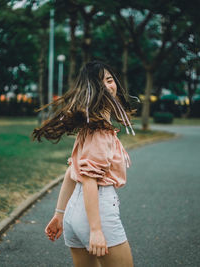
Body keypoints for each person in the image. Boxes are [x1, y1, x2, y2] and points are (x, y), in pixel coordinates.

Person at [33, 61, 134, 267]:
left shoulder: (87, 129)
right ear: (92, 90)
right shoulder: (99, 132)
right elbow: (88, 180)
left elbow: (72, 172)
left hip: (73, 215)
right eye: (100, 83)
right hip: (97, 213)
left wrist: (60, 214)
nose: (108, 86)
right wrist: (96, 230)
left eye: (109, 80)